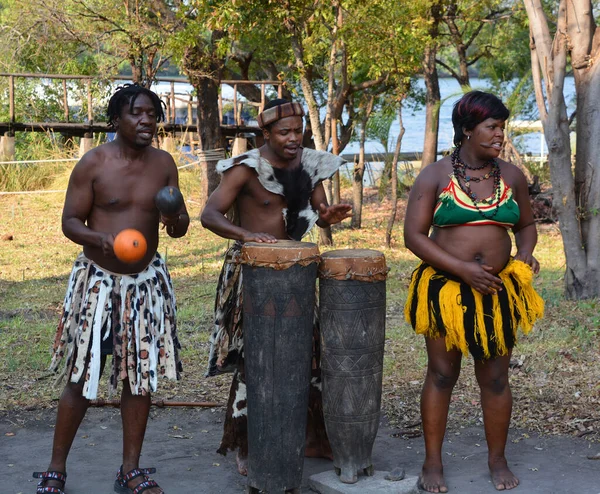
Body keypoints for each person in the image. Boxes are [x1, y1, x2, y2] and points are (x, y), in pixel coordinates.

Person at [33, 84, 189, 494]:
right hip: (99, 285)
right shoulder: (93, 164)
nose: (146, 121)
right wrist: (99, 240)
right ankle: (56, 469)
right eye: (137, 113)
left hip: (144, 286)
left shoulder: (164, 163)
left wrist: (175, 219)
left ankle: (130, 470)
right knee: (83, 375)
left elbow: (179, 223)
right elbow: (70, 221)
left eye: (153, 114)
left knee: (138, 378)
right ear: (116, 119)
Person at [200, 98, 352, 475]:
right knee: (258, 354)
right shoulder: (245, 169)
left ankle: (314, 437)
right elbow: (209, 214)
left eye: (297, 131)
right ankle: (248, 443)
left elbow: (319, 208)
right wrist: (247, 234)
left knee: (310, 349)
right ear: (265, 133)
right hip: (253, 270)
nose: (293, 138)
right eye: (284, 132)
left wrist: (327, 215)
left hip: (297, 271)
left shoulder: (310, 165)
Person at [403, 91, 544, 493]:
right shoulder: (435, 175)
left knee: (497, 379)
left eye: (502, 127)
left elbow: (526, 225)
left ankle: (497, 460)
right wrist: (464, 269)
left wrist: (526, 254)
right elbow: (414, 236)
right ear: (468, 129)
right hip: (446, 290)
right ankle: (433, 462)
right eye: (492, 127)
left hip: (497, 291)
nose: (500, 134)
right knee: (443, 374)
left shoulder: (511, 175)